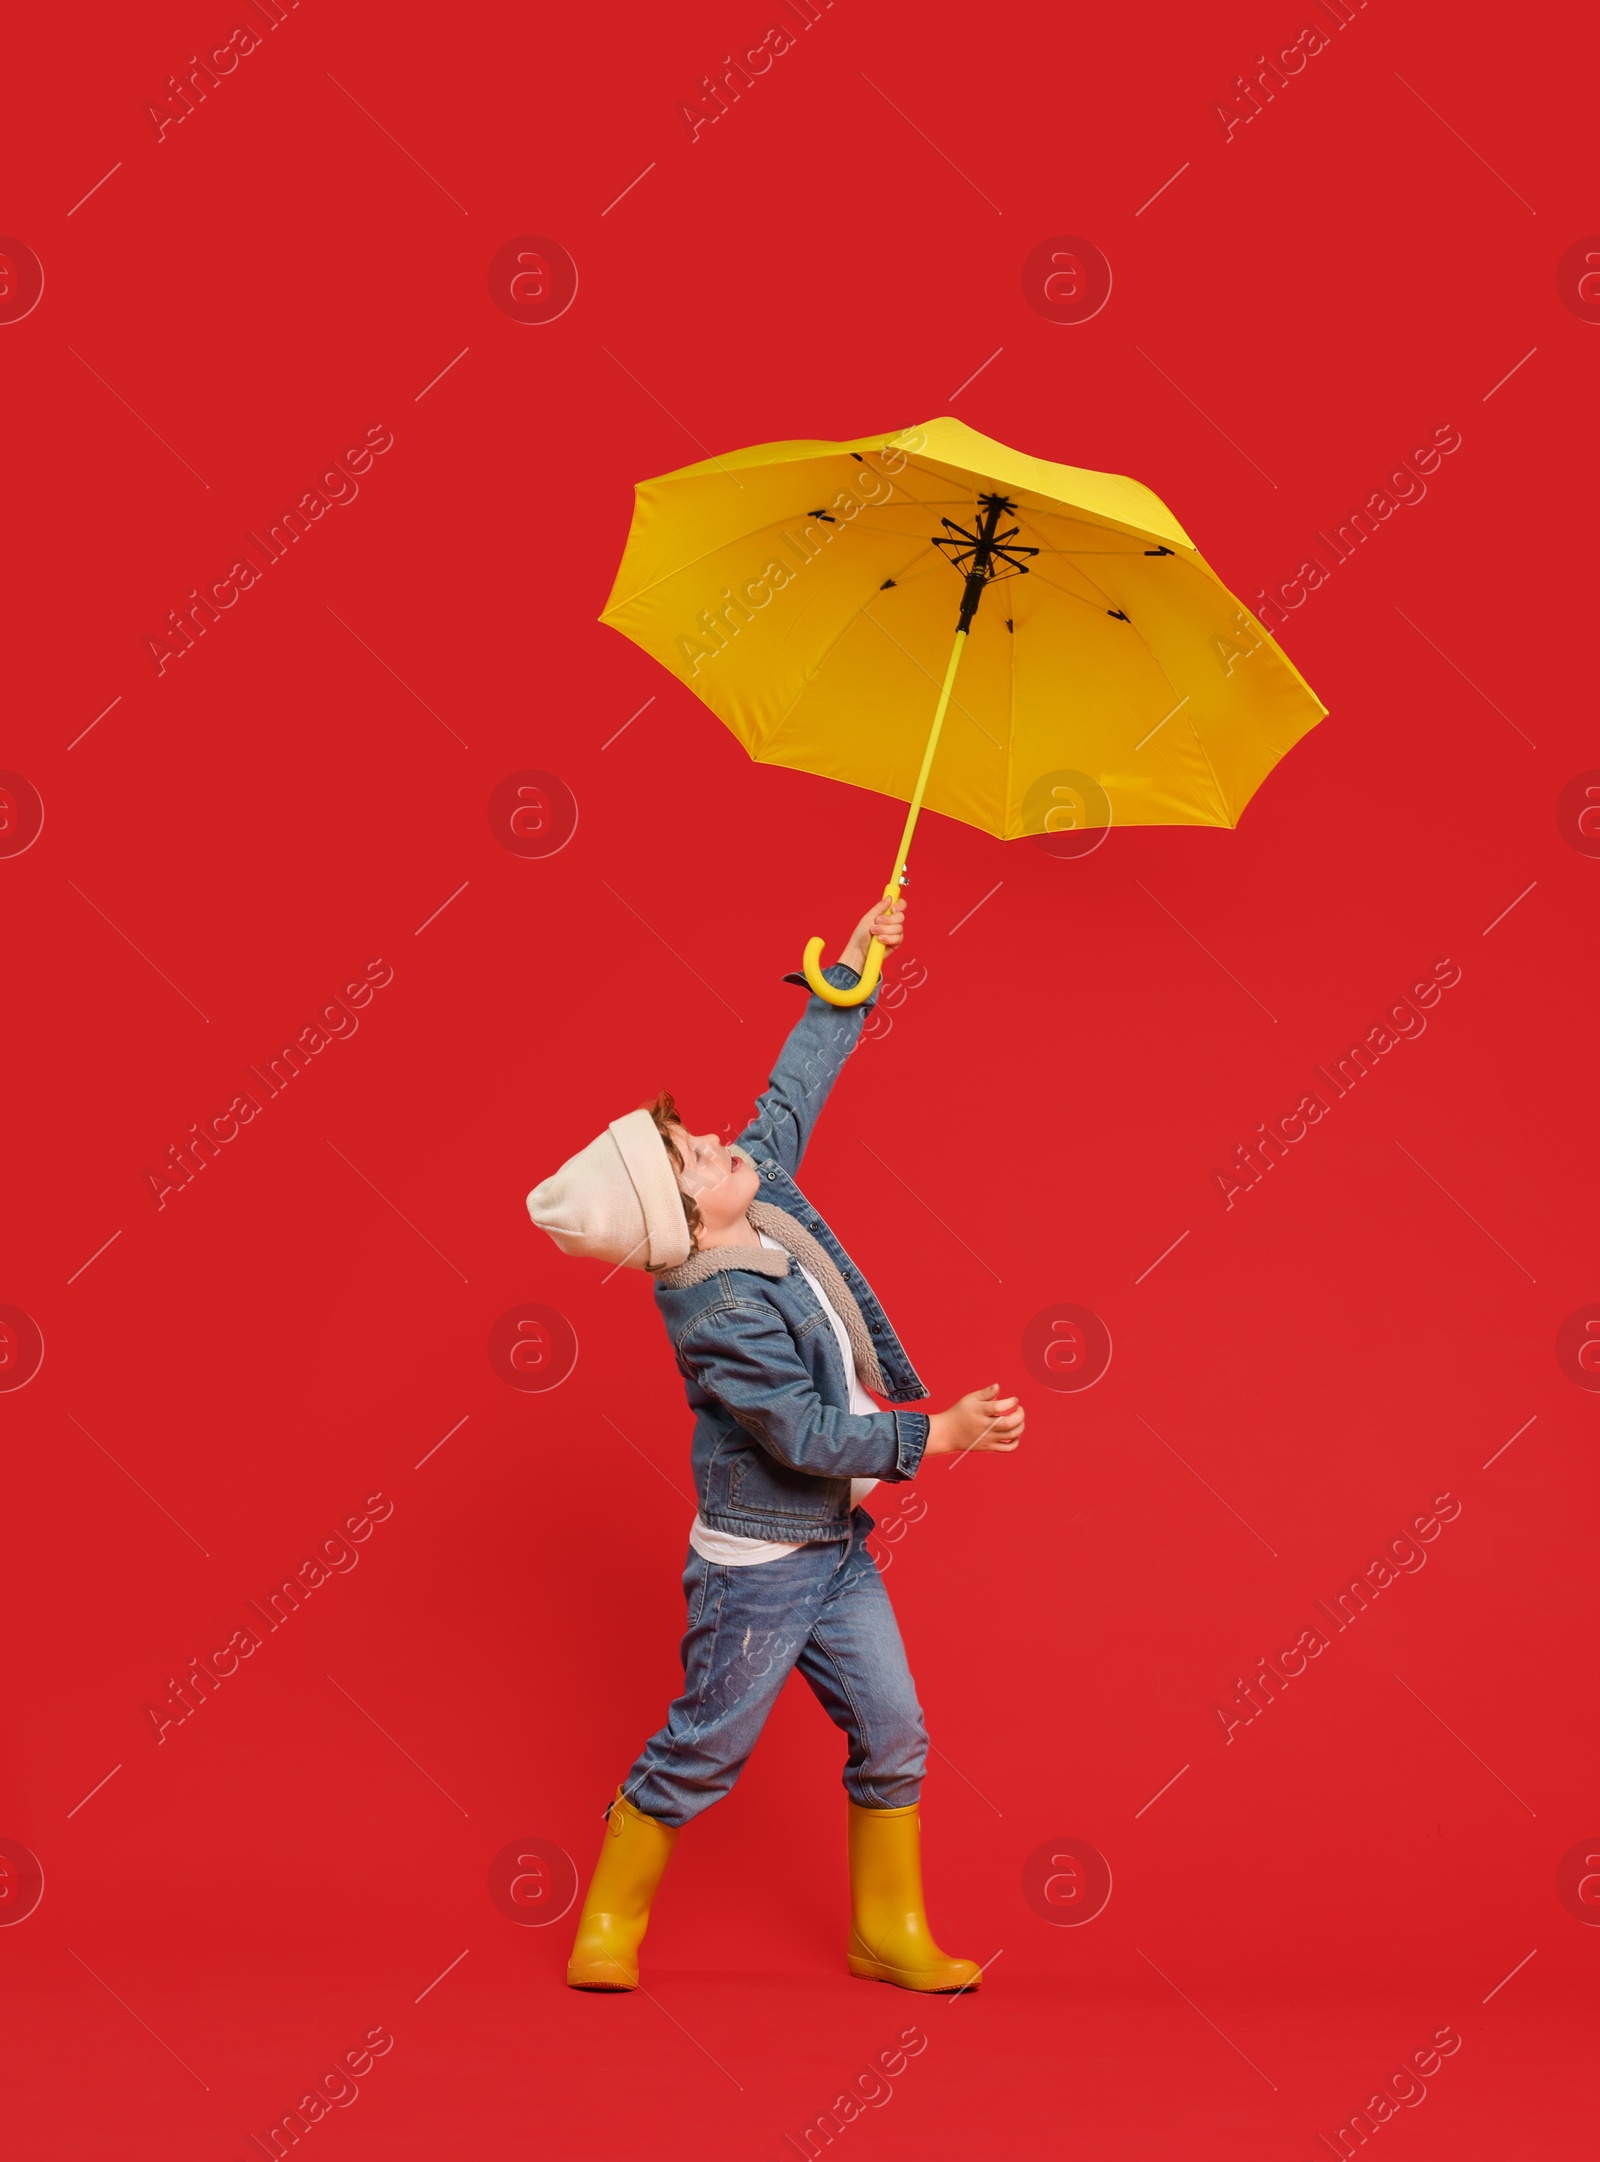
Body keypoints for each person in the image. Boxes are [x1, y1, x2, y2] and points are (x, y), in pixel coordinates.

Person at [527, 899, 1023, 1993]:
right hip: (757, 1569)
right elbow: (802, 1433)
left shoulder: (755, 1191)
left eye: (699, 1136)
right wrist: (934, 1434)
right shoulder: (716, 1314)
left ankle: (884, 1927)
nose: (721, 1140)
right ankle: (609, 1910)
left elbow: (790, 1093)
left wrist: (847, 981)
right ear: (680, 1224)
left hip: (833, 1544)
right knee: (707, 1744)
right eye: (696, 1155)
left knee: (895, 1728)